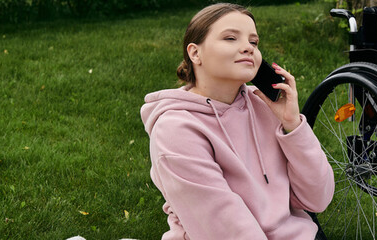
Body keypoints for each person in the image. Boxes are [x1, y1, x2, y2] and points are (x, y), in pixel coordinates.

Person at [139, 3, 334, 239]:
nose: (248, 48)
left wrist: (292, 125)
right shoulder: (176, 129)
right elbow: (226, 228)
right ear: (195, 53)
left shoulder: (264, 106)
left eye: (253, 42)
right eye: (230, 38)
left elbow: (317, 199)